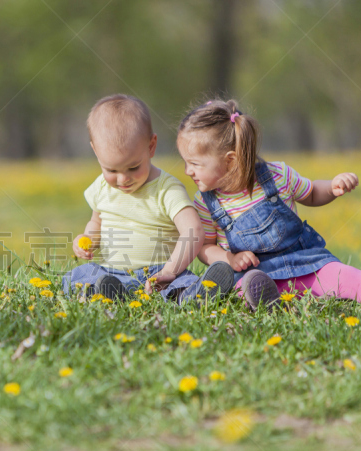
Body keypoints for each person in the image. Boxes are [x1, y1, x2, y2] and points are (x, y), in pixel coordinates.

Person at [177, 98, 361, 308]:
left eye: (195, 164)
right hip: (254, 274)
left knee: (349, 277)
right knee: (242, 289)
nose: (188, 171)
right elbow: (206, 248)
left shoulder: (277, 175)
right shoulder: (206, 202)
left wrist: (333, 187)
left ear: (230, 161)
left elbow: (313, 193)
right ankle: (268, 302)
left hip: (306, 265)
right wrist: (230, 258)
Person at [62, 94, 235, 303]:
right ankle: (109, 292)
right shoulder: (101, 186)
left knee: (180, 283)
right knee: (77, 276)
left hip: (159, 272)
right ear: (95, 151)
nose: (123, 179)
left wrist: (170, 270)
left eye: (133, 167)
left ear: (151, 146)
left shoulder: (166, 188)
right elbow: (96, 222)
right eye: (111, 169)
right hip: (112, 272)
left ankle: (194, 295)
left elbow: (193, 231)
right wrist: (87, 240)